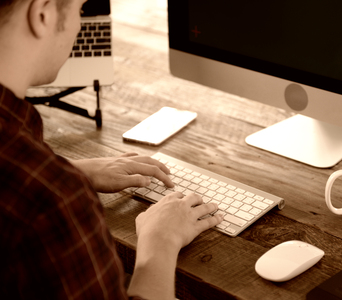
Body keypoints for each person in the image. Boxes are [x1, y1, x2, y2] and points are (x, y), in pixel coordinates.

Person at [0, 0, 223, 299]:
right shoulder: (52, 202)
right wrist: (159, 243)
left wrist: (71, 168)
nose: (80, 26)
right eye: (80, 10)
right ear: (43, 13)